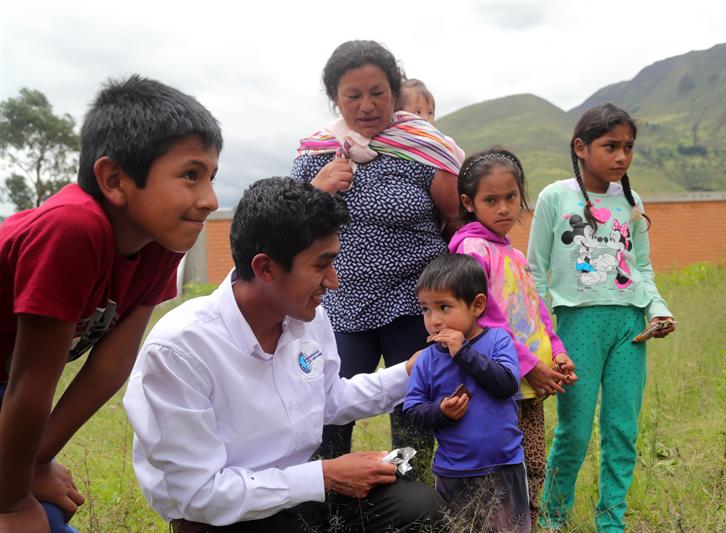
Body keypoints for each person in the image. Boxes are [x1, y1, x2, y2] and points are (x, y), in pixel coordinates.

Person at [123, 177, 440, 532]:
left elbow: (329, 398)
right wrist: (325, 476)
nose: (333, 281)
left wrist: (412, 372)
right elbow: (200, 495)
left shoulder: (308, 318)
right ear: (265, 268)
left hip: (297, 492)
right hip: (223, 517)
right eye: (321, 265)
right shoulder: (181, 349)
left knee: (418, 507)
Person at [0, 75, 221, 533]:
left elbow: (111, 365)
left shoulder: (161, 243)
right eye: (190, 175)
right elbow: (28, 382)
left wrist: (35, 462)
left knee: (50, 514)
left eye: (212, 177)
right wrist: (12, 500)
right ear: (115, 179)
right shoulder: (72, 228)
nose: (209, 200)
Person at [291, 40, 463, 476]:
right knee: (328, 413)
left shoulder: (425, 148)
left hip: (415, 304)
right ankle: (329, 500)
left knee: (413, 413)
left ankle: (405, 495)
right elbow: (283, 226)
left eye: (378, 92)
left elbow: (456, 218)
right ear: (335, 97)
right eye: (353, 95)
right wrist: (319, 188)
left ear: (395, 94)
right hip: (341, 305)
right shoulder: (314, 156)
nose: (366, 105)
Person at [527, 103, 676, 532]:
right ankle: (552, 518)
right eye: (610, 146)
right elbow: (536, 270)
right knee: (572, 432)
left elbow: (642, 269)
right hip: (577, 326)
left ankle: (611, 520)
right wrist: (544, 336)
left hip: (631, 328)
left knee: (621, 429)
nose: (621, 157)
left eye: (628, 147)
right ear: (581, 147)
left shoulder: (632, 201)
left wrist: (658, 310)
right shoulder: (555, 197)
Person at [447, 146, 578, 525]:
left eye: (511, 197)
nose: (504, 208)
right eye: (491, 200)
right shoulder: (472, 250)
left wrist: (556, 352)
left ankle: (529, 523)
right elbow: (485, 317)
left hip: (531, 378)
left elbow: (537, 313)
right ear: (469, 203)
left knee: (533, 462)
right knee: (498, 465)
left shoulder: (515, 255)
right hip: (498, 379)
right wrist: (527, 365)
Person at [403, 253, 529, 532]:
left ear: (477, 305)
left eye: (444, 307)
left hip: (504, 467)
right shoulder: (426, 359)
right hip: (453, 473)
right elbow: (412, 411)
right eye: (425, 309)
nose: (434, 320)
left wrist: (464, 353)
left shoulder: (497, 340)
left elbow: (507, 384)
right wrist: (440, 412)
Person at [397, 78, 465, 162]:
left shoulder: (445, 142)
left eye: (430, 113)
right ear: (400, 115)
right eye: (418, 112)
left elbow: (461, 162)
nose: (426, 118)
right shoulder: (394, 139)